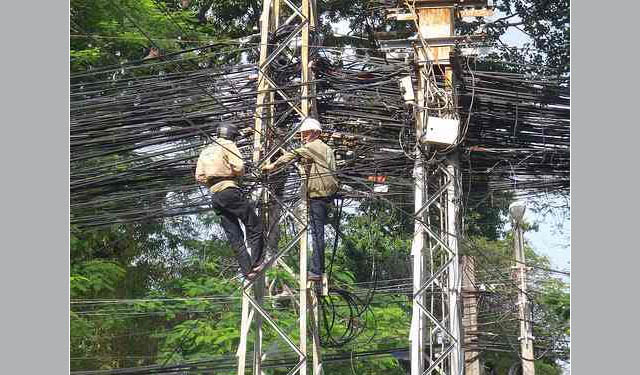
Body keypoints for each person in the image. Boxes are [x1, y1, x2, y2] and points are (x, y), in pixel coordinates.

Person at [262, 118, 339, 281]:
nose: (303, 137)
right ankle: (317, 270)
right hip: (328, 196)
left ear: (315, 133)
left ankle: (316, 271)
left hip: (317, 196)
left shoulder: (312, 147)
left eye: (305, 133)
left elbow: (293, 154)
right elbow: (333, 171)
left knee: (317, 234)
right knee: (319, 233)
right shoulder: (327, 149)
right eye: (302, 133)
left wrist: (272, 165)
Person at [195, 123, 266, 280]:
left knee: (234, 235)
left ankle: (247, 271)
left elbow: (199, 176)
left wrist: (213, 182)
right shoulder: (228, 145)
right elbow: (239, 167)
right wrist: (232, 175)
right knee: (254, 225)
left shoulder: (206, 150)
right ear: (231, 135)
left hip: (215, 196)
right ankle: (257, 262)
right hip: (229, 191)